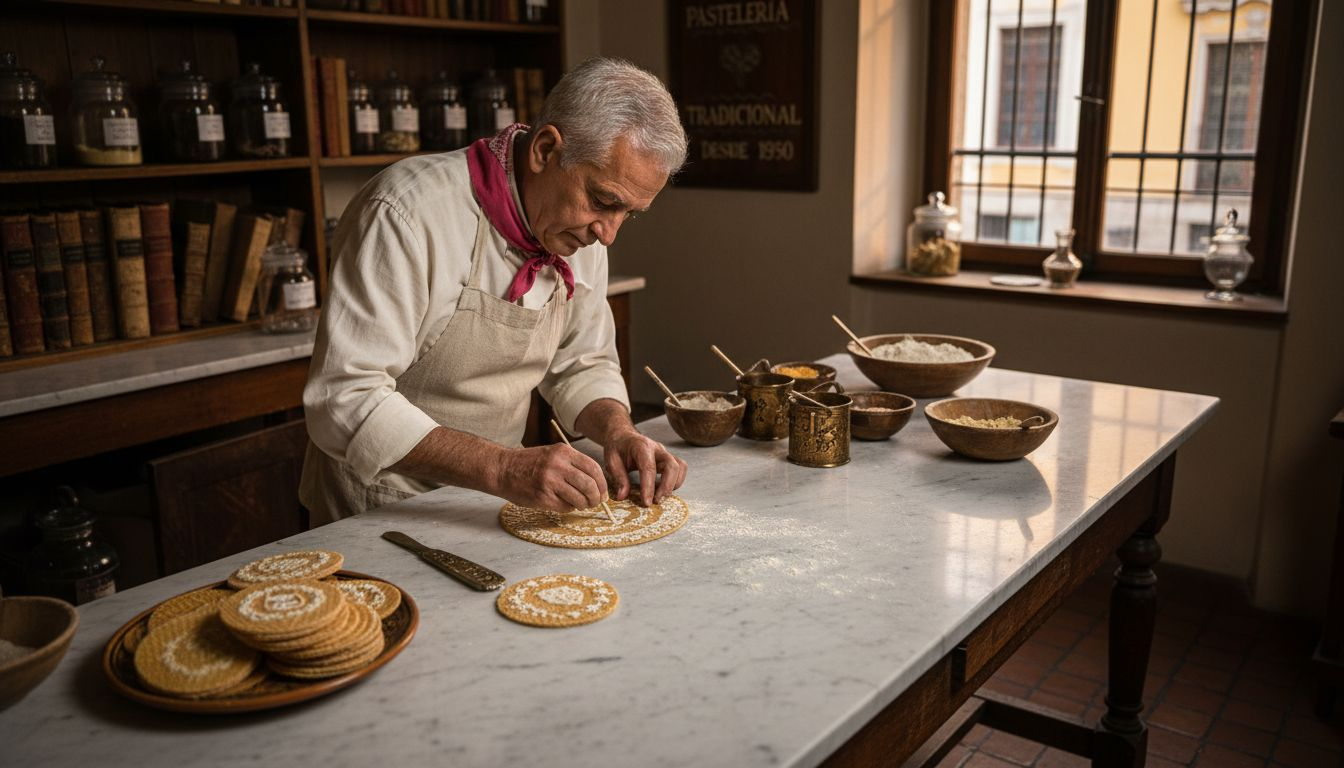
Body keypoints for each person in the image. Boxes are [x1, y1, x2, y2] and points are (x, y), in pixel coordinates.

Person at [300, 58, 689, 524]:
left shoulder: (579, 230)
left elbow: (581, 361)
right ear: (545, 150)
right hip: (378, 505)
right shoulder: (406, 211)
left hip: (492, 501)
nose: (609, 234)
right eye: (605, 201)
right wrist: (501, 465)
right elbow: (344, 398)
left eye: (630, 213)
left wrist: (617, 432)